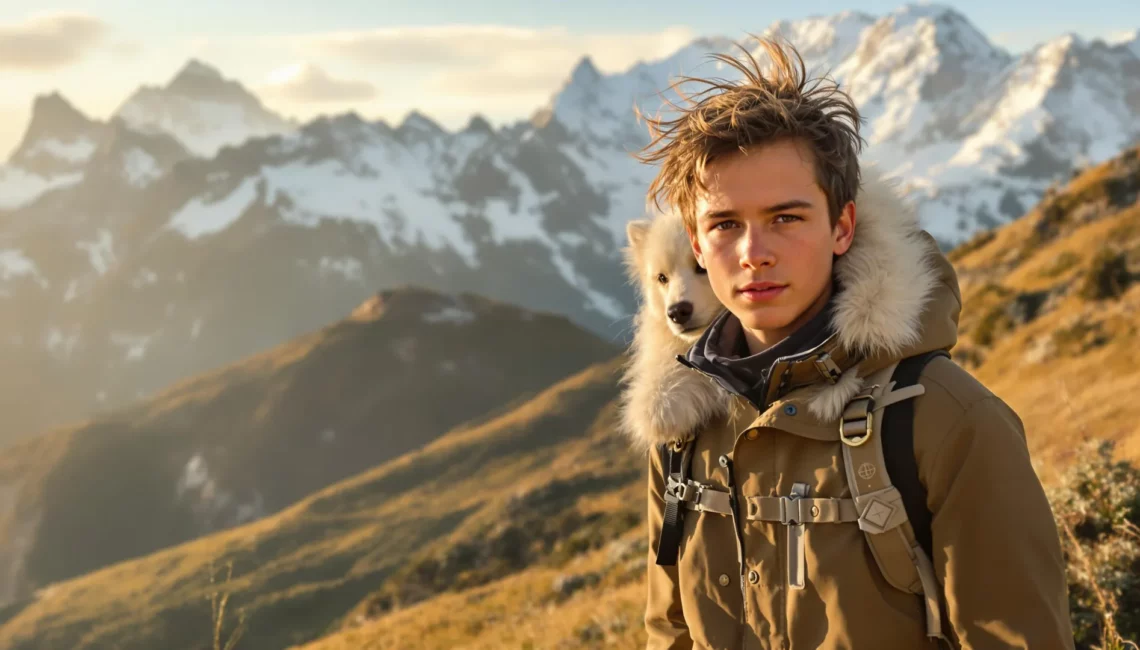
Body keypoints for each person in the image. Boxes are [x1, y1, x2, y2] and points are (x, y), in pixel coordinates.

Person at [630, 36, 1075, 649]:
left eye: (787, 218)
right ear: (696, 242)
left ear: (842, 226)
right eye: (726, 224)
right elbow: (670, 632)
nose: (755, 254)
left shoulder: (951, 422)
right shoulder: (683, 425)